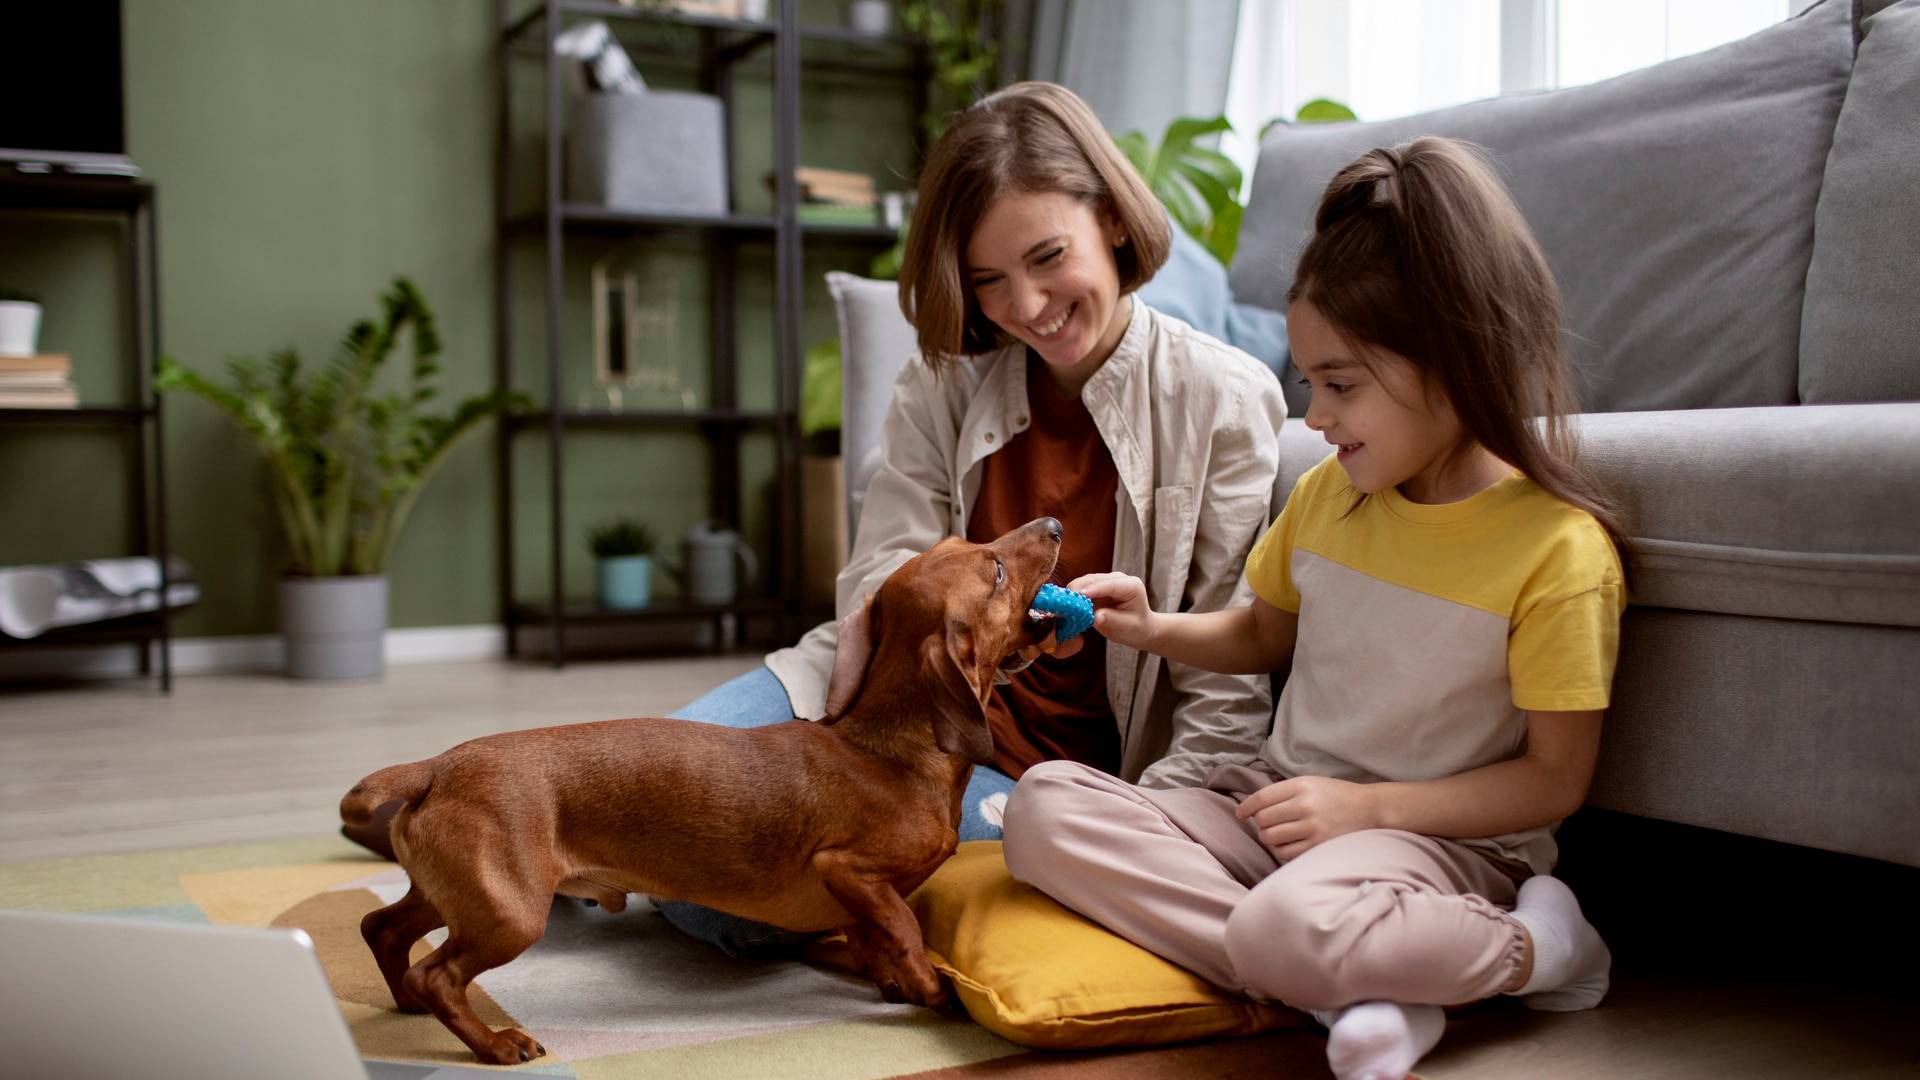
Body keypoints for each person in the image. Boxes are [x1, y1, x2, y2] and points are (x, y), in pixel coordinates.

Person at [341, 81, 1288, 957]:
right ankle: (473, 839)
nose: (1025, 307)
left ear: (1113, 221)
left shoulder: (1223, 402)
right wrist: (834, 747)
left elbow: (1226, 682)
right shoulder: (947, 378)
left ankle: (505, 862)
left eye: (1047, 259)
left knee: (718, 906)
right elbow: (879, 575)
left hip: (1049, 777)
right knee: (654, 801)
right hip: (873, 720)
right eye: (988, 280)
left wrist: (1139, 837)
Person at [1001, 136, 1628, 1080]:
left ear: (1455, 359)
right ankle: (1356, 986)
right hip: (1275, 811)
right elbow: (1262, 631)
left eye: (1340, 385)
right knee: (1041, 809)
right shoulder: (1334, 495)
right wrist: (1150, 626)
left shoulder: (1557, 552)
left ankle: (1538, 951)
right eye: (1310, 385)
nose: (1316, 418)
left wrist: (1365, 808)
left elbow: (1552, 782)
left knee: (1284, 924)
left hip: (1435, 852)